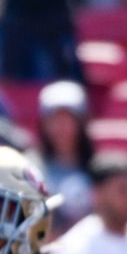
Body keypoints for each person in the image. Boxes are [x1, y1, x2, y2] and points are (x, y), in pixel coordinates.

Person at [35, 81, 95, 234]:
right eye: (54, 119)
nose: (61, 127)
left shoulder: (97, 167)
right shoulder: (31, 167)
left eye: (68, 119)